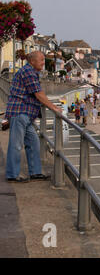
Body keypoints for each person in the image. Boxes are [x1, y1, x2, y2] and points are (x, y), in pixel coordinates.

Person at [4, 51, 62, 182]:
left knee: (34, 143)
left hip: (26, 115)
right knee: (16, 145)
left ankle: (35, 172)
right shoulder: (28, 72)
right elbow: (38, 94)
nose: (43, 62)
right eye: (41, 60)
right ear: (32, 61)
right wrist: (54, 108)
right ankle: (12, 174)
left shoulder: (30, 71)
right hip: (20, 113)